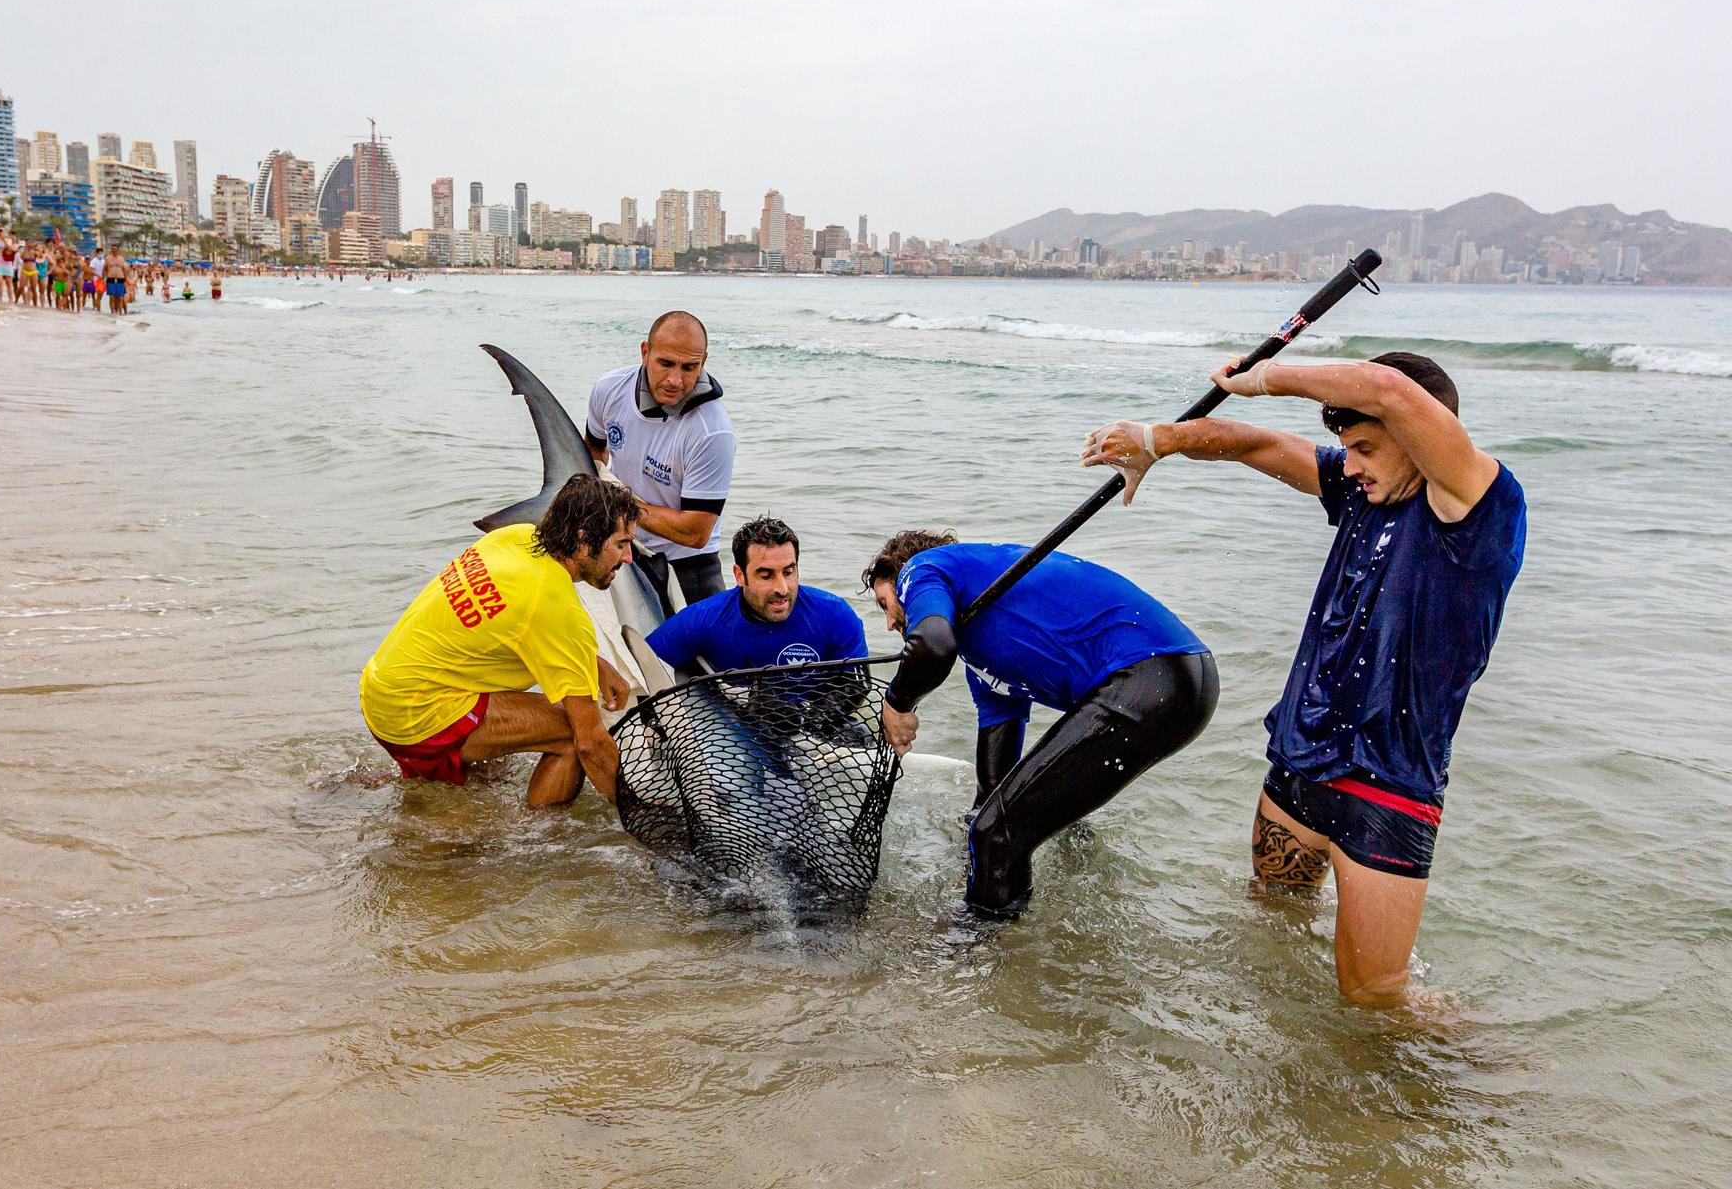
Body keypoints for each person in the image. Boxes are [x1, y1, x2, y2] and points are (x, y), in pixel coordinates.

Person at [1081, 350, 1526, 1006]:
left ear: (1420, 437)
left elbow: (1389, 388)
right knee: (1274, 930)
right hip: (1301, 759)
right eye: (1347, 448)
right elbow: (1256, 443)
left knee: (1376, 1005)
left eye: (1366, 447)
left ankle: (1505, 1083)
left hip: (1389, 792)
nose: (1350, 464)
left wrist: (1266, 378)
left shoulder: (1478, 510)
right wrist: (1160, 441)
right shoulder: (1363, 488)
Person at [864, 531, 1217, 921]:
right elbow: (992, 786)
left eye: (886, 603)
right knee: (1001, 822)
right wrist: (974, 830)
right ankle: (1041, 935)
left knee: (997, 834)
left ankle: (978, 958)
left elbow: (932, 645)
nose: (890, 622)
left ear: (904, 582)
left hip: (1149, 676)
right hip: (1180, 683)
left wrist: (897, 703)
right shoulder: (986, 656)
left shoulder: (924, 566)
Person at [358, 473, 639, 807]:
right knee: (569, 733)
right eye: (621, 544)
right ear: (583, 538)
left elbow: (516, 621)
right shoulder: (556, 608)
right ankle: (541, 838)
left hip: (380, 690)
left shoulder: (515, 537)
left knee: (497, 765)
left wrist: (594, 663)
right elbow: (591, 743)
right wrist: (638, 814)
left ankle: (395, 782)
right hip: (415, 714)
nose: (628, 558)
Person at [584, 310, 736, 613]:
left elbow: (694, 532)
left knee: (705, 659)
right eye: (665, 363)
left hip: (687, 561)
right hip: (620, 544)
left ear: (704, 362)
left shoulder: (712, 430)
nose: (675, 380)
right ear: (645, 352)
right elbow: (593, 453)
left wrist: (619, 504)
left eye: (689, 367)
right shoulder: (609, 389)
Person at [646, 515, 866, 675]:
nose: (782, 588)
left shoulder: (836, 615)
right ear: (739, 575)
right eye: (766, 575)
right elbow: (642, 664)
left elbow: (855, 687)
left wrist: (806, 717)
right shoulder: (704, 619)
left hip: (819, 727)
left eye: (788, 572)